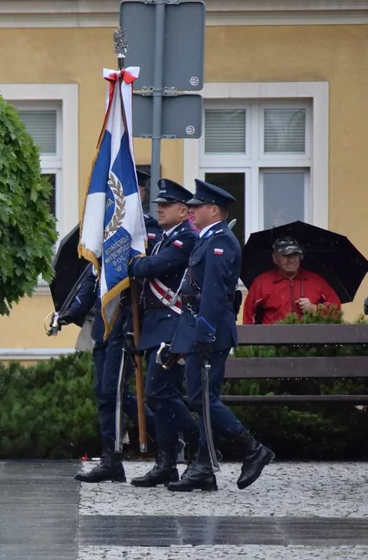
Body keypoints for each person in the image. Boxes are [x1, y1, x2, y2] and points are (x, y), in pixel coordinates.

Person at [166, 179, 274, 492]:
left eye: (197, 207)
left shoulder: (221, 241)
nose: (192, 211)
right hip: (196, 326)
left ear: (214, 210)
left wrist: (204, 333)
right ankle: (202, 467)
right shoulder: (207, 238)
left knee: (203, 398)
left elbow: (213, 292)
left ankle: (253, 449)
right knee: (199, 398)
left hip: (208, 329)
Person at [58, 214, 160, 483]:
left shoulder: (145, 230)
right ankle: (111, 459)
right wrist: (70, 312)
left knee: (113, 391)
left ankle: (170, 438)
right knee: (105, 393)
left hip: (127, 322)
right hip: (104, 324)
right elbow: (94, 278)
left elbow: (149, 276)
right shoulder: (106, 231)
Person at [125, 179, 200, 487]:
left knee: (159, 392)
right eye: (158, 204)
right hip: (155, 327)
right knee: (158, 397)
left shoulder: (187, 239)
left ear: (184, 211)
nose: (159, 209)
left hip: (173, 326)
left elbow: (152, 267)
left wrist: (133, 262)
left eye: (166, 205)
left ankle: (199, 440)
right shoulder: (164, 238)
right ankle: (166, 463)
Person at [243, 236, 341, 324]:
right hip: (272, 341)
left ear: (301, 257)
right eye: (285, 255)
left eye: (295, 255)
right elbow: (249, 318)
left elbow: (336, 311)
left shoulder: (316, 281)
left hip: (310, 341)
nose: (291, 260)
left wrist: (314, 308)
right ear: (275, 258)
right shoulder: (261, 282)